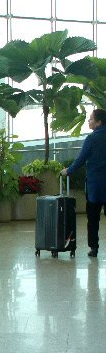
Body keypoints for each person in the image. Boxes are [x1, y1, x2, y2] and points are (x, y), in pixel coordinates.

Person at [61, 108, 106, 258]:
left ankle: (94, 248)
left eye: (91, 119)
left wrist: (69, 171)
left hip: (95, 187)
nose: (89, 121)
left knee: (93, 219)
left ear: (99, 122)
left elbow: (81, 159)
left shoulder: (92, 139)